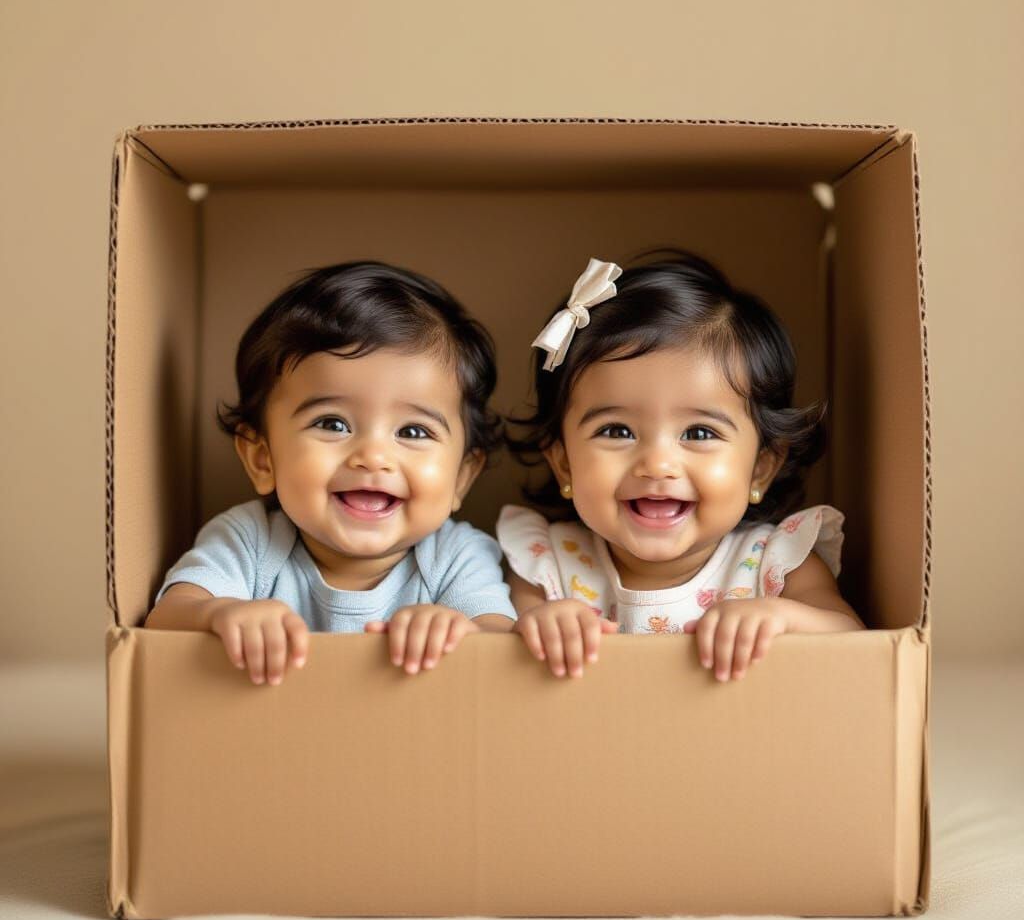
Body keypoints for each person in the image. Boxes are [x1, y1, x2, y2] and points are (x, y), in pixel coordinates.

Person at [498, 252, 863, 684]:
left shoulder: (777, 562)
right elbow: (493, 656)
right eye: (616, 431)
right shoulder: (546, 565)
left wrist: (782, 618)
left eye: (699, 433)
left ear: (761, 468)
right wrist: (539, 624)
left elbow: (854, 641)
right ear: (563, 463)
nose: (657, 464)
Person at [146, 262, 515, 685]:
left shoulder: (455, 556)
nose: (373, 456)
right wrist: (220, 613)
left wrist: (458, 632)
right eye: (332, 424)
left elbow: (501, 639)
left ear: (462, 478)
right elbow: (166, 618)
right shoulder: (250, 540)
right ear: (262, 460)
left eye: (413, 431)